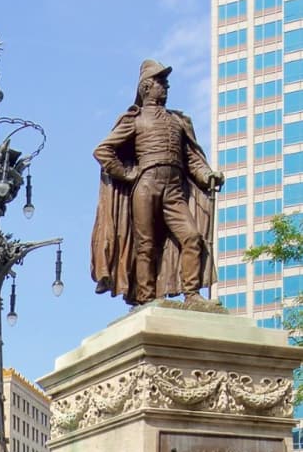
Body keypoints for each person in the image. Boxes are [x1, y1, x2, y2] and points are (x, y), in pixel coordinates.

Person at [91, 59, 224, 307]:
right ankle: (146, 297)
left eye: (166, 83)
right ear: (146, 88)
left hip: (174, 189)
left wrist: (207, 175)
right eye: (161, 82)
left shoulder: (179, 121)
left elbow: (192, 160)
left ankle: (192, 294)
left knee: (192, 236)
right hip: (147, 185)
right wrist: (128, 173)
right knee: (146, 244)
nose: (166, 87)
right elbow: (103, 150)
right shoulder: (135, 119)